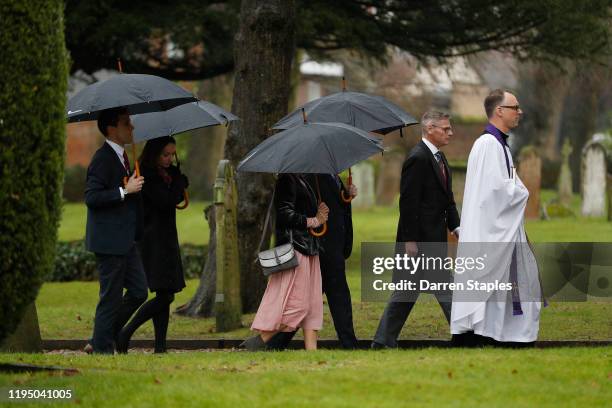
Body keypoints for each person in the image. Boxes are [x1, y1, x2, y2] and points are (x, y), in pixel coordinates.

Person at [450, 89, 542, 346]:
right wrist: (522, 190)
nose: (519, 112)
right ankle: (491, 333)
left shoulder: (498, 144)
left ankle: (500, 332)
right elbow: (496, 191)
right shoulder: (489, 144)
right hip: (491, 228)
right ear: (499, 111)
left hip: (497, 227)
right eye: (515, 107)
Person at [372, 111, 460, 349]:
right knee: (436, 291)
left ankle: (382, 341)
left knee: (414, 293)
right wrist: (410, 240)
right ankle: (466, 337)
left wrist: (456, 226)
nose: (450, 133)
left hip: (433, 239)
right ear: (430, 129)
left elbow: (448, 199)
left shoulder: (440, 159)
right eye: (445, 129)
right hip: (418, 242)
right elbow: (408, 203)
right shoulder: (418, 158)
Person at [264, 174, 359, 350]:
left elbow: (333, 205)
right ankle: (349, 343)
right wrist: (315, 221)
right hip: (317, 245)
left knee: (313, 303)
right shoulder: (306, 174)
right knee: (322, 299)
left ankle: (275, 344)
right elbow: (292, 210)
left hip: (329, 244)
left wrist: (346, 196)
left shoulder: (331, 174)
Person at [115, 136, 189, 353]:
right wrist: (180, 183)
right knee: (166, 294)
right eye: (165, 154)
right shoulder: (144, 175)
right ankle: (125, 333)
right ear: (155, 153)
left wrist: (177, 179)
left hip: (166, 238)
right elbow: (165, 200)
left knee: (164, 292)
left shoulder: (169, 173)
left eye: (172, 154)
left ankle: (160, 346)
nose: (169, 159)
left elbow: (173, 197)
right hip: (151, 240)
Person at [85, 107, 148, 354]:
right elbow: (92, 197)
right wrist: (125, 191)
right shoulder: (102, 159)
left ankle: (101, 337)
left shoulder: (123, 157)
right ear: (112, 128)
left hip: (126, 240)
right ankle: (102, 348)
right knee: (110, 297)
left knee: (139, 291)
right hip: (109, 241)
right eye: (126, 123)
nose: (132, 127)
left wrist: (132, 187)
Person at [241, 173, 329, 351]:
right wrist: (315, 220)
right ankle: (260, 340)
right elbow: (284, 215)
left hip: (310, 248)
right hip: (296, 249)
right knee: (299, 304)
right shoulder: (287, 179)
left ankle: (312, 351)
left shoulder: (303, 179)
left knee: (313, 304)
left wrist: (319, 213)